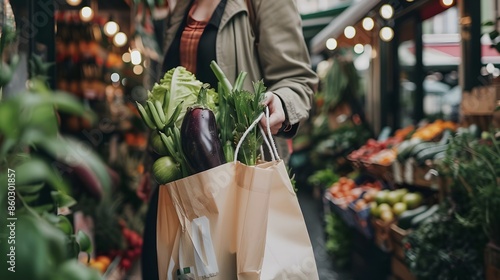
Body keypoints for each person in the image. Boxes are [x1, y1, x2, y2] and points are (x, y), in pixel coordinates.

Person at [141, 0, 318, 279]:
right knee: (162, 266)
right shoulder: (181, 8)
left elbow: (297, 79)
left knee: (234, 267)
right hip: (178, 177)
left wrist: (282, 102)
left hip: (234, 174)